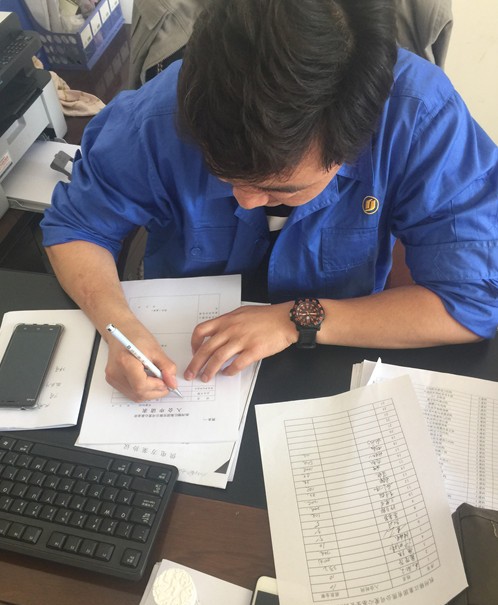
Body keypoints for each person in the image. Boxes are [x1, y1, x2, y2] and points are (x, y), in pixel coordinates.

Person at [41, 0, 498, 403]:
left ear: (356, 141)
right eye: (224, 176)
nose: (246, 201)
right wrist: (118, 329)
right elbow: (75, 227)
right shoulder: (157, 115)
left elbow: (472, 303)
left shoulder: (419, 117)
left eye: (282, 189)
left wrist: (296, 320)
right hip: (181, 341)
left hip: (338, 349)